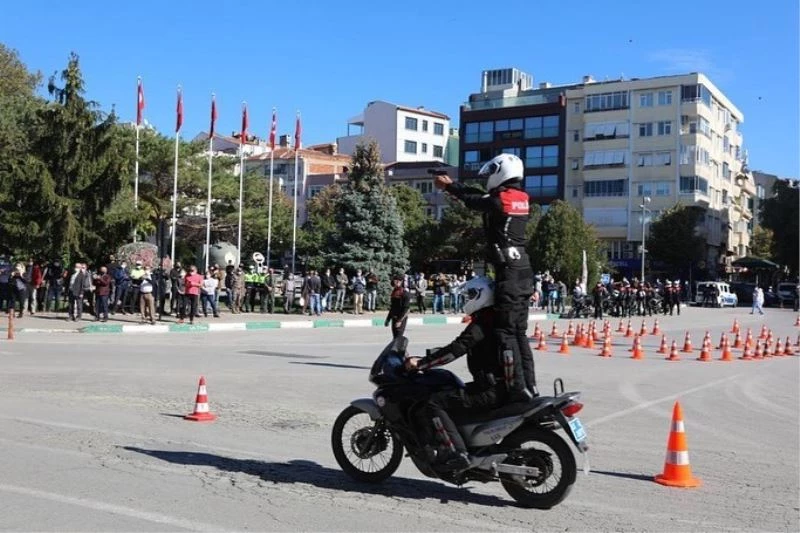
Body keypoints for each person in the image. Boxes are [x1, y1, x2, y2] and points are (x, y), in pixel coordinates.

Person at [434, 154, 537, 400]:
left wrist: (449, 187)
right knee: (519, 333)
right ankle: (529, 387)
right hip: (523, 272)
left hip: (510, 275)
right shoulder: (520, 198)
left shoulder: (503, 200)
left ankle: (516, 390)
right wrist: (453, 186)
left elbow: (474, 200)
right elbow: (480, 197)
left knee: (505, 333)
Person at [404, 276, 509, 472]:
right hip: (498, 385)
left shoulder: (481, 325)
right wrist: (430, 357)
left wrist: (422, 364)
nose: (467, 298)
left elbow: (456, 349)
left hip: (488, 390)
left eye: (470, 295)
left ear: (481, 296)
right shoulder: (492, 319)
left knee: (434, 402)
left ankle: (457, 453)